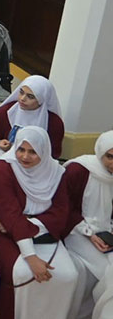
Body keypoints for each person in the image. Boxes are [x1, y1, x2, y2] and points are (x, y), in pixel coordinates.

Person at [0, 127, 77, 319]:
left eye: (33, 152)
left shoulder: (57, 172)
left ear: (44, 152)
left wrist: (29, 223)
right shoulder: (1, 169)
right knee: (23, 273)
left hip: (44, 233)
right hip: (5, 234)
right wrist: (31, 257)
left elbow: (61, 213)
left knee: (69, 275)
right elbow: (9, 212)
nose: (25, 157)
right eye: (21, 149)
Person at [63, 131, 113, 319]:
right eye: (110, 156)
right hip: (76, 231)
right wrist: (89, 233)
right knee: (108, 272)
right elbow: (64, 207)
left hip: (104, 232)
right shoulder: (80, 169)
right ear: (100, 152)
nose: (112, 163)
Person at [0, 75, 64, 158]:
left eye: (30, 97)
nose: (22, 98)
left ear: (42, 99)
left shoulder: (54, 122)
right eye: (21, 92)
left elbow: (53, 154)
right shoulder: (4, 112)